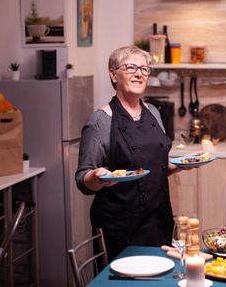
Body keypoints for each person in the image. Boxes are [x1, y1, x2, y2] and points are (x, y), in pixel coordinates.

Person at [75, 46, 186, 260]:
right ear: (113, 74)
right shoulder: (100, 122)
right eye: (131, 67)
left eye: (144, 69)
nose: (139, 74)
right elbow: (82, 180)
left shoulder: (153, 112)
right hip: (120, 227)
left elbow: (154, 168)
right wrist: (97, 177)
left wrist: (180, 165)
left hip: (159, 218)